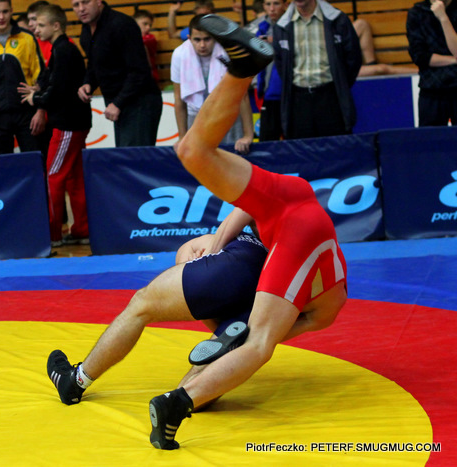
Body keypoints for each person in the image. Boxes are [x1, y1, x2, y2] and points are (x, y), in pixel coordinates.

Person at [149, 14, 347, 449]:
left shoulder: (319, 305)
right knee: (191, 149)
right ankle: (242, 68)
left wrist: (216, 254)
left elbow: (254, 338)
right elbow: (253, 336)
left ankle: (177, 403)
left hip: (296, 213)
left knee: (257, 342)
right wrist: (215, 254)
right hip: (295, 215)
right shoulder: (311, 305)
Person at [46, 230, 269, 405]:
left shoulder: (217, 239)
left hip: (238, 260)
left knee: (140, 305)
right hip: (267, 289)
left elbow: (238, 215)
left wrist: (200, 268)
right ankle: (179, 399)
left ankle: (75, 381)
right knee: (195, 384)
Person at [18, 4, 91, 247]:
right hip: (75, 122)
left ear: (56, 26)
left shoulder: (63, 50)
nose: (35, 29)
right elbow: (57, 84)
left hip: (67, 125)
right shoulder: (63, 49)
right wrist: (40, 91)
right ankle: (81, 230)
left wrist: (36, 98)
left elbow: (59, 90)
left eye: (40, 25)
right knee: (74, 178)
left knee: (53, 177)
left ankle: (52, 235)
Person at [73, 0, 162, 147]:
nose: (81, 8)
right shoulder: (86, 30)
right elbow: (95, 63)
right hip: (119, 102)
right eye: (76, 5)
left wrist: (118, 102)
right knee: (125, 155)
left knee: (133, 157)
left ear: (99, 1)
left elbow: (139, 71)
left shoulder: (122, 24)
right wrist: (88, 82)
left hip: (140, 101)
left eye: (85, 2)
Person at [273, 0, 361, 139]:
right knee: (302, 149)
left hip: (331, 97)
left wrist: (341, 84)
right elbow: (281, 64)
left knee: (337, 148)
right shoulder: (281, 25)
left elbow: (353, 58)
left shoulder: (338, 19)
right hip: (298, 100)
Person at [171, 14, 254, 153]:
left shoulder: (230, 52)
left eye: (207, 39)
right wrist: (182, 137)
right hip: (196, 116)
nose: (202, 45)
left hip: (227, 114)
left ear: (215, 37)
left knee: (231, 159)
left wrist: (248, 135)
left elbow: (243, 96)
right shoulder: (179, 54)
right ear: (189, 38)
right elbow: (179, 99)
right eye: (197, 40)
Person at [0, 0, 44, 155]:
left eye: (5, 11)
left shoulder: (27, 38)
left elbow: (41, 77)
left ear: (12, 10)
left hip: (26, 114)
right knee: (1, 166)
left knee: (33, 162)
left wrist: (40, 110)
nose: (1, 17)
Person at [407, 0, 457, 126]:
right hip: (431, 88)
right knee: (430, 137)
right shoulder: (417, 13)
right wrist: (454, 60)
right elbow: (420, 57)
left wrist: (443, 18)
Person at [255, 0, 288, 141]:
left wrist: (275, 41)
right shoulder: (262, 28)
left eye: (276, 3)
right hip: (269, 93)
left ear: (285, 4)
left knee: (296, 143)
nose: (272, 8)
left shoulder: (293, 25)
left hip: (292, 94)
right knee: (267, 142)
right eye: (268, 4)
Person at [353, 18, 418, 77]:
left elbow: (362, 26)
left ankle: (371, 64)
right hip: (347, 72)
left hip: (349, 63)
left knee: (361, 24)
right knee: (381, 69)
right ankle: (419, 72)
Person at [133, 9, 160, 85]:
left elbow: (140, 43)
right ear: (134, 24)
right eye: (145, 24)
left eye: (150, 25)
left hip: (150, 76)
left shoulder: (150, 38)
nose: (148, 27)